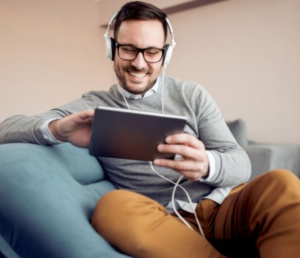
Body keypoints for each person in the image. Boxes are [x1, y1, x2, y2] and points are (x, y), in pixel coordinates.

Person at [0, 1, 300, 258]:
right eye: (128, 49)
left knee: (282, 183)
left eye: (151, 52)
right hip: (162, 221)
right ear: (112, 49)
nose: (139, 63)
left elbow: (240, 164)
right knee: (113, 207)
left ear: (165, 55)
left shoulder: (191, 94)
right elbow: (6, 129)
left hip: (223, 207)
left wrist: (209, 164)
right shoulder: (93, 105)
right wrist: (57, 129)